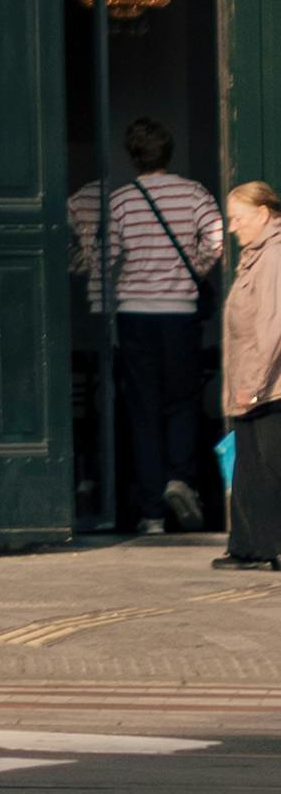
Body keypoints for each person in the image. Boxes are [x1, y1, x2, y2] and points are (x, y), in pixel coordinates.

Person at [69, 116, 226, 535]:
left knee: (143, 410)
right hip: (180, 313)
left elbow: (108, 255)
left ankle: (152, 513)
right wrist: (192, 268)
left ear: (133, 156)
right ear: (169, 153)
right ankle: (181, 478)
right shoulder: (194, 193)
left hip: (136, 314)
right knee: (182, 400)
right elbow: (216, 239)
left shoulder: (121, 201)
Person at [224, 183, 281, 571]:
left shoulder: (274, 257)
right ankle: (248, 547)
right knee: (249, 465)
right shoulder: (256, 256)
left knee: (270, 465)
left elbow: (272, 327)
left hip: (269, 387)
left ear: (263, 214)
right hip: (253, 383)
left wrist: (255, 385)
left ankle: (267, 546)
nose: (232, 227)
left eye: (238, 217)